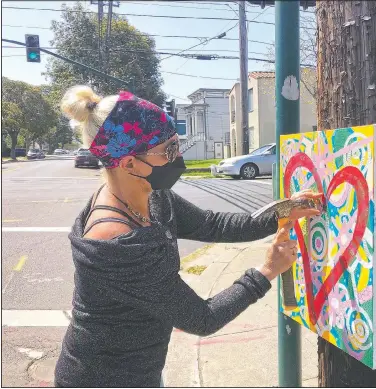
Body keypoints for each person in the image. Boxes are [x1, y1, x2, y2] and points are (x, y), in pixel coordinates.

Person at [54, 86, 322, 387]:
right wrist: (268, 270)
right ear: (129, 163)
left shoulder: (153, 195)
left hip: (141, 370)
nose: (178, 157)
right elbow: (202, 318)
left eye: (177, 145)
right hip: (101, 379)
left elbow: (212, 224)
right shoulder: (116, 241)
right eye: (168, 151)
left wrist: (284, 211)